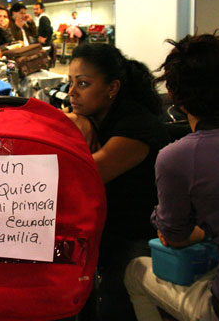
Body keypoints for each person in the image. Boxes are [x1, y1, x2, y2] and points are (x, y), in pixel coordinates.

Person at [124, 32, 219, 321]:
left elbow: (174, 237)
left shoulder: (177, 157)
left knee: (135, 271)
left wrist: (200, 231)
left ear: (174, 97)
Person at [66, 43, 169, 320]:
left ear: (112, 87)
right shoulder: (97, 115)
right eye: (70, 82)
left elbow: (84, 177)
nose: (71, 92)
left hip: (137, 238)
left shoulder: (137, 126)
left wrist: (76, 123)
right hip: (105, 232)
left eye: (83, 83)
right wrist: (78, 119)